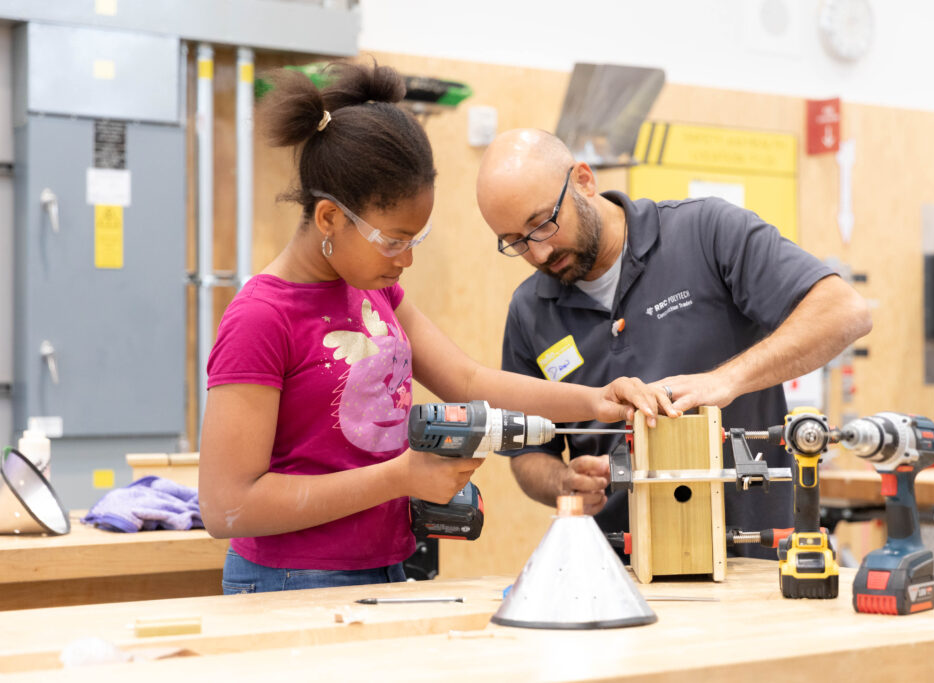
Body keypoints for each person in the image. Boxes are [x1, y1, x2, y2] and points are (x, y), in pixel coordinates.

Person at [198, 66, 666, 594]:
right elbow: (226, 506)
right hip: (291, 581)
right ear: (329, 218)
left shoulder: (374, 290)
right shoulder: (262, 316)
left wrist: (596, 400)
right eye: (394, 241)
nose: (406, 261)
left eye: (414, 241)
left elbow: (468, 381)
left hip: (386, 568)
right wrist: (399, 477)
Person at [476, 128, 873, 558]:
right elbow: (529, 452)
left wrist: (726, 380)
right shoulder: (529, 310)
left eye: (542, 224)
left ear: (585, 181)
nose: (538, 253)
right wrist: (562, 482)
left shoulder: (705, 232)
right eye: (515, 242)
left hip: (753, 561)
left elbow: (844, 311)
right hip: (623, 573)